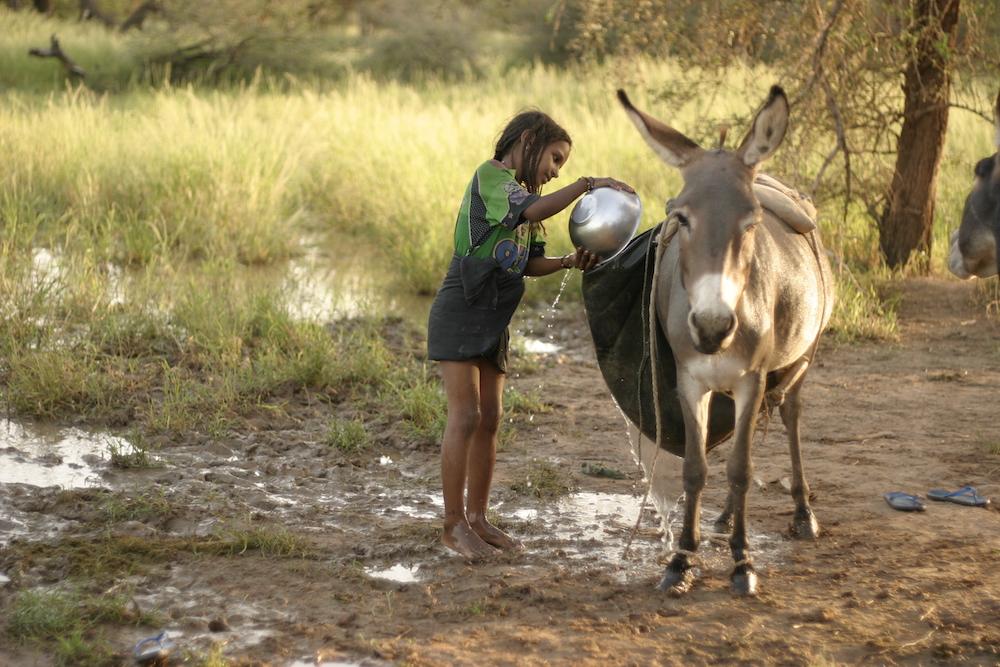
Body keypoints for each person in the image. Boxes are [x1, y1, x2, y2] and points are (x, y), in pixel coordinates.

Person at [426, 108, 635, 560]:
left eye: (562, 164)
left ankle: (479, 519)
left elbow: (525, 263)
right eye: (554, 158)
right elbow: (535, 207)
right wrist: (585, 184)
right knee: (464, 416)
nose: (555, 169)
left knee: (490, 419)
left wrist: (565, 262)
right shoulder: (492, 177)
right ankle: (452, 525)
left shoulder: (524, 200)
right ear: (527, 140)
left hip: (495, 313)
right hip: (463, 304)